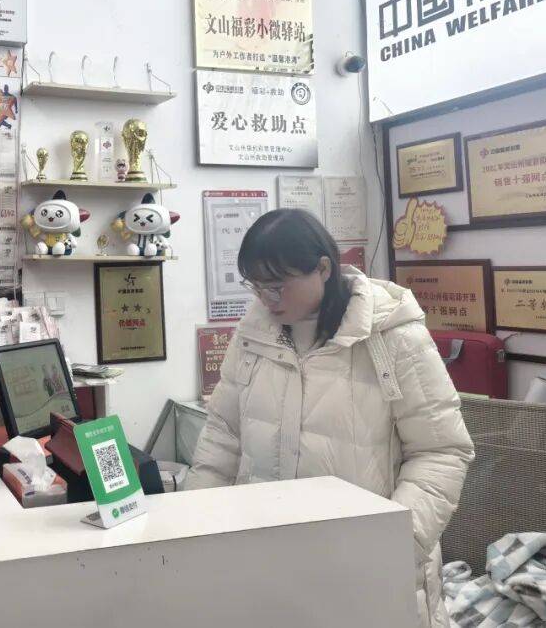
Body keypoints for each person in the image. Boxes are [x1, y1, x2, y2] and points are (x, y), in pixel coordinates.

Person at [184, 209, 474, 628]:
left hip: (367, 566)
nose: (266, 298)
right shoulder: (252, 336)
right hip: (268, 561)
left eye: (277, 285)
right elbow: (222, 436)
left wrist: (395, 542)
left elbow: (442, 451)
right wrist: (193, 526)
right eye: (255, 285)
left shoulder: (392, 336)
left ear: (323, 268)